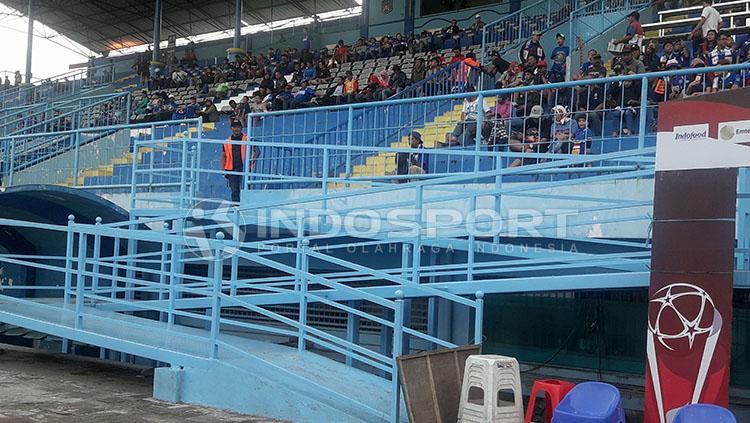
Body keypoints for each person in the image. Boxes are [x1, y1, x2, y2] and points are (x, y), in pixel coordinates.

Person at [221, 121, 255, 203]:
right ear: (231, 128)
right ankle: (236, 209)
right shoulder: (227, 141)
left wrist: (251, 164)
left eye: (238, 127)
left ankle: (246, 207)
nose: (236, 129)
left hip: (244, 168)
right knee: (235, 191)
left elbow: (256, 152)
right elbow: (223, 156)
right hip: (231, 169)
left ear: (241, 128)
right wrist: (223, 169)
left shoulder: (247, 138)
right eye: (234, 127)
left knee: (246, 189)